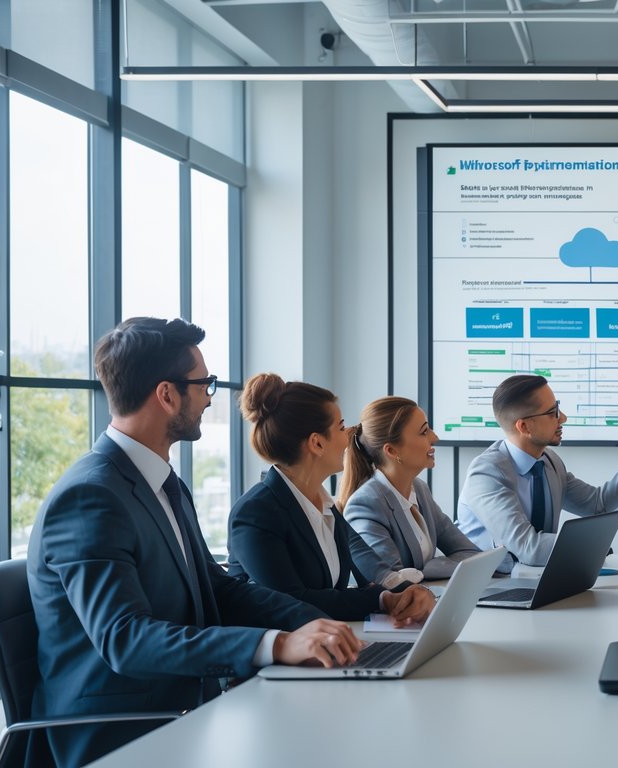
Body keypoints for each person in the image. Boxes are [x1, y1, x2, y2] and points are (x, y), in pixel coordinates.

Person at [27, 318, 361, 768]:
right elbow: (125, 639)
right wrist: (276, 644)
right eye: (204, 384)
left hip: (188, 707)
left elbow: (217, 587)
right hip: (121, 734)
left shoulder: (163, 483)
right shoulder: (90, 496)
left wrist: (314, 624)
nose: (209, 396)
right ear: (167, 395)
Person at [226, 374, 435, 624]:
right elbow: (293, 601)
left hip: (324, 641)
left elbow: (363, 572)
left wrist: (405, 594)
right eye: (340, 426)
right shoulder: (256, 513)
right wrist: (381, 600)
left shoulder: (323, 504)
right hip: (277, 653)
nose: (348, 435)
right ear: (317, 443)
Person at [457, 374, 618, 568]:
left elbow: (599, 504)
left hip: (534, 579)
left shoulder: (549, 462)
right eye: (553, 412)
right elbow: (528, 548)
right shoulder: (486, 474)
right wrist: (593, 547)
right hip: (487, 591)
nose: (563, 418)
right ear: (524, 426)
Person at [340, 396, 481, 580]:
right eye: (424, 432)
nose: (434, 437)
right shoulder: (365, 504)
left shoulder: (419, 489)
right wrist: (428, 570)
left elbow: (469, 552)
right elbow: (392, 580)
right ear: (391, 451)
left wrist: (428, 569)